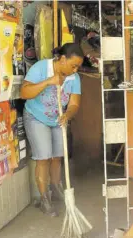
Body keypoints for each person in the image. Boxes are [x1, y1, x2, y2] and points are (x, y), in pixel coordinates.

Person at [20, 43, 84, 217]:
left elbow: (74, 104)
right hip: (36, 117)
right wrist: (50, 81)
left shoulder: (74, 78)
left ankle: (56, 189)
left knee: (57, 156)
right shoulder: (41, 68)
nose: (76, 70)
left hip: (58, 118)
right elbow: (24, 93)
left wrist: (68, 115)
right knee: (44, 157)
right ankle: (44, 199)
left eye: (78, 66)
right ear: (62, 59)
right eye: (73, 65)